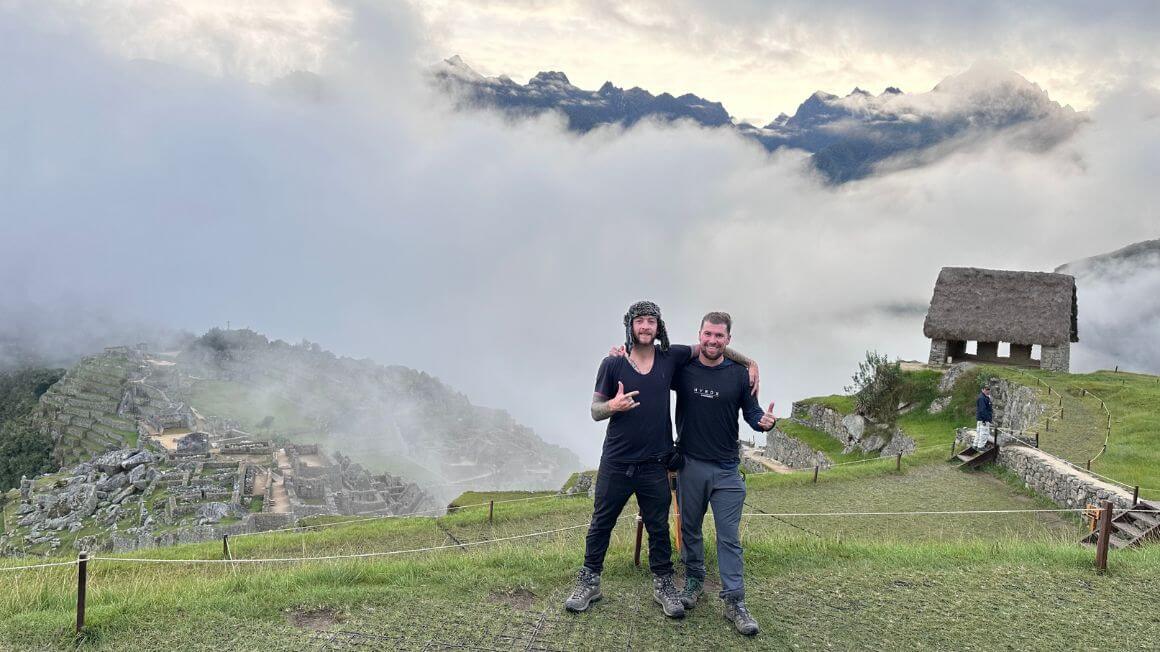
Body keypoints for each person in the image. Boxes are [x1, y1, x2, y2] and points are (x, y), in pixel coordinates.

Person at [565, 301, 757, 619]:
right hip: (616, 460)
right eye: (639, 321)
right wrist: (612, 406)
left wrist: (751, 363)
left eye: (651, 322)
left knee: (658, 527)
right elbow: (595, 411)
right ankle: (589, 582)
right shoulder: (612, 364)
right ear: (630, 326)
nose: (645, 327)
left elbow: (711, 348)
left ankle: (664, 585)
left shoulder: (671, 357)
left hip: (656, 461)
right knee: (601, 523)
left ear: (659, 327)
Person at [671, 312, 775, 636]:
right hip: (690, 465)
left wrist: (762, 422)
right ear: (699, 334)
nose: (712, 341)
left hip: (728, 469)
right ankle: (693, 581)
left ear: (728, 340)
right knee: (690, 529)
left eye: (719, 336)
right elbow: (656, 366)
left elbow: (752, 412)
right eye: (708, 335)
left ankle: (735, 602)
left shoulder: (739, 376)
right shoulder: (683, 370)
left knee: (729, 538)